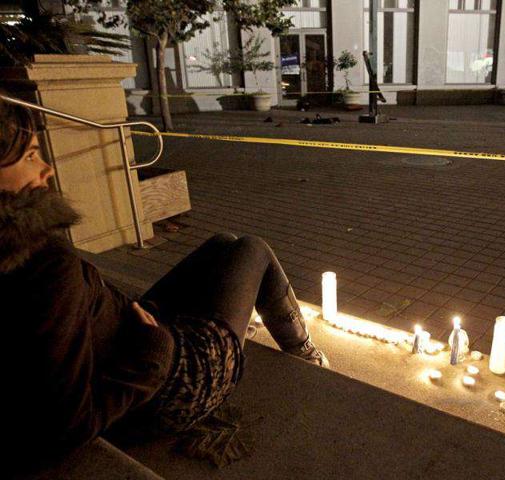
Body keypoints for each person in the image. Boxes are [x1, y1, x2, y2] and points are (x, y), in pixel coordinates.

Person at [1, 97, 328, 473]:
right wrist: (154, 354)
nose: (46, 169)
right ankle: (305, 355)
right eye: (28, 157)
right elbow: (68, 425)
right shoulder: (44, 265)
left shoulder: (20, 254)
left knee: (223, 243)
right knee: (253, 249)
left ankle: (271, 333)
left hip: (129, 339)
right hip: (172, 386)